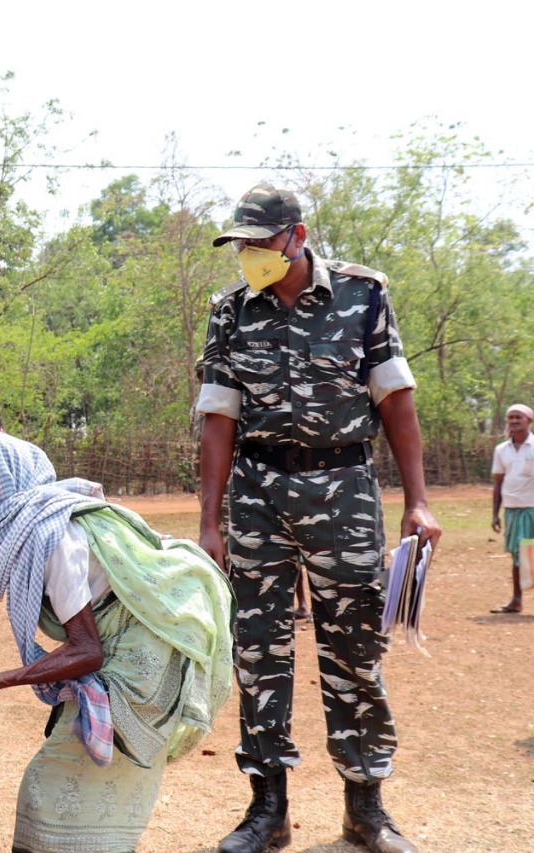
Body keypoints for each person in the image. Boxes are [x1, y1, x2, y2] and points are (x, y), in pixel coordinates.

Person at [197, 181, 442, 853]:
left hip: (345, 488)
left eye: (259, 242)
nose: (248, 254)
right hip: (257, 492)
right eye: (240, 245)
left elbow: (395, 402)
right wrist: (211, 522)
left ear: (297, 236)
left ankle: (366, 807)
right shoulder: (230, 313)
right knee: (258, 651)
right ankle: (266, 808)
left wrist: (417, 498)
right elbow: (218, 419)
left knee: (356, 646)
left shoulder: (363, 296)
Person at [0, 430, 233, 853]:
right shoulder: (14, 535)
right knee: (65, 786)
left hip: (147, 655)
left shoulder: (52, 536)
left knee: (60, 784)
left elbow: (86, 651)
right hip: (118, 650)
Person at [490, 403, 534, 613]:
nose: (514, 421)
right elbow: (498, 483)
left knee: (532, 555)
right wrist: (495, 514)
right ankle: (516, 600)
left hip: (532, 509)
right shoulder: (501, 450)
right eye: (511, 418)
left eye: (519, 417)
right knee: (517, 555)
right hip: (512, 510)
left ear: (529, 421)